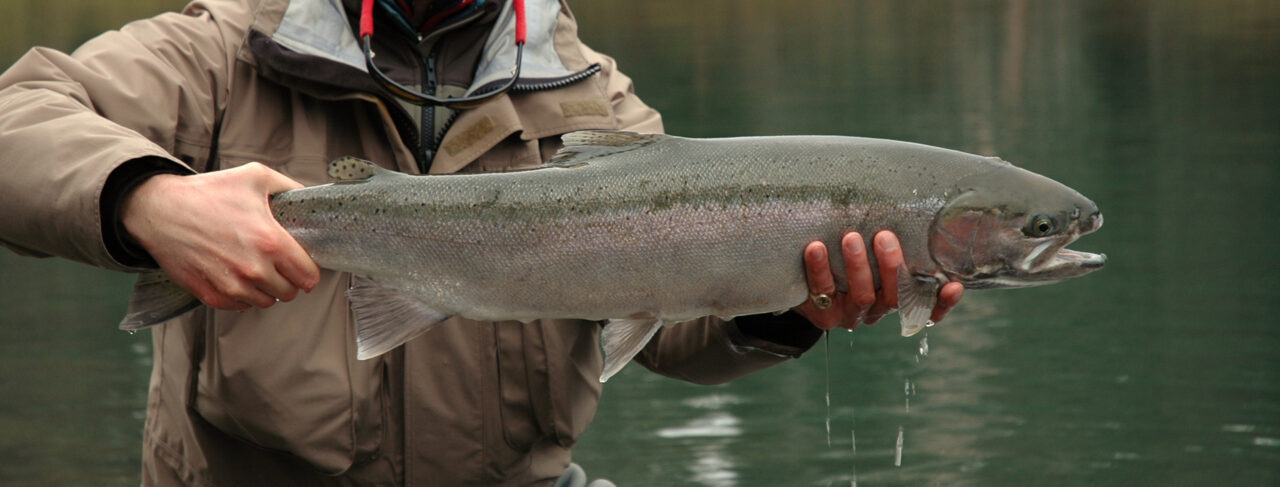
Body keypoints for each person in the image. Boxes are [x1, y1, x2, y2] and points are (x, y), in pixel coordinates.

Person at [0, 0, 963, 485]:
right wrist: (147, 200)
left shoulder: (590, 96)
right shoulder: (221, 53)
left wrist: (791, 307)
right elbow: (17, 117)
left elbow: (670, 331)